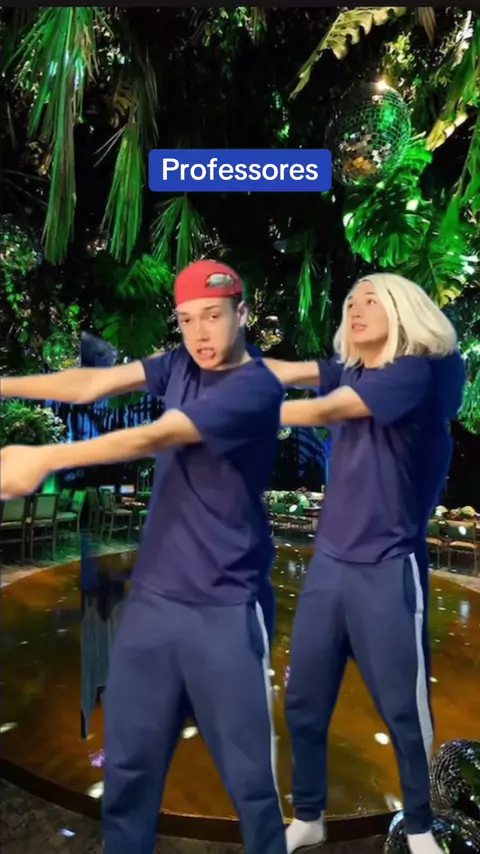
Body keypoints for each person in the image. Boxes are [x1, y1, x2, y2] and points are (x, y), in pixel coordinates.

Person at [0, 259, 320, 854]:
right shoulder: (178, 364)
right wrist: (5, 385)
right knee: (127, 772)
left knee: (249, 783)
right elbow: (90, 384)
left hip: (227, 609)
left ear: (243, 314)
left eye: (213, 316)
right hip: (152, 602)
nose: (199, 333)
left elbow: (162, 435)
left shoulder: (256, 387)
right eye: (187, 319)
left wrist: (46, 458)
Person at [279, 274, 466, 854]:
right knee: (303, 703)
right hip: (329, 567)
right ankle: (308, 817)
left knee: (403, 710)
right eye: (350, 301)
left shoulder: (417, 374)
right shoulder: (352, 371)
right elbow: (288, 371)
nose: (355, 308)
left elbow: (330, 407)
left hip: (386, 567)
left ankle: (420, 825)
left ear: (404, 310)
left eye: (371, 299)